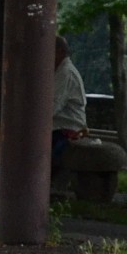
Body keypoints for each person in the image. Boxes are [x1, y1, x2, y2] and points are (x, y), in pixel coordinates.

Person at [53, 35, 90, 169]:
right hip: (61, 127)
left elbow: (53, 106)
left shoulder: (65, 73)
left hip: (66, 128)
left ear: (59, 51)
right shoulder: (62, 71)